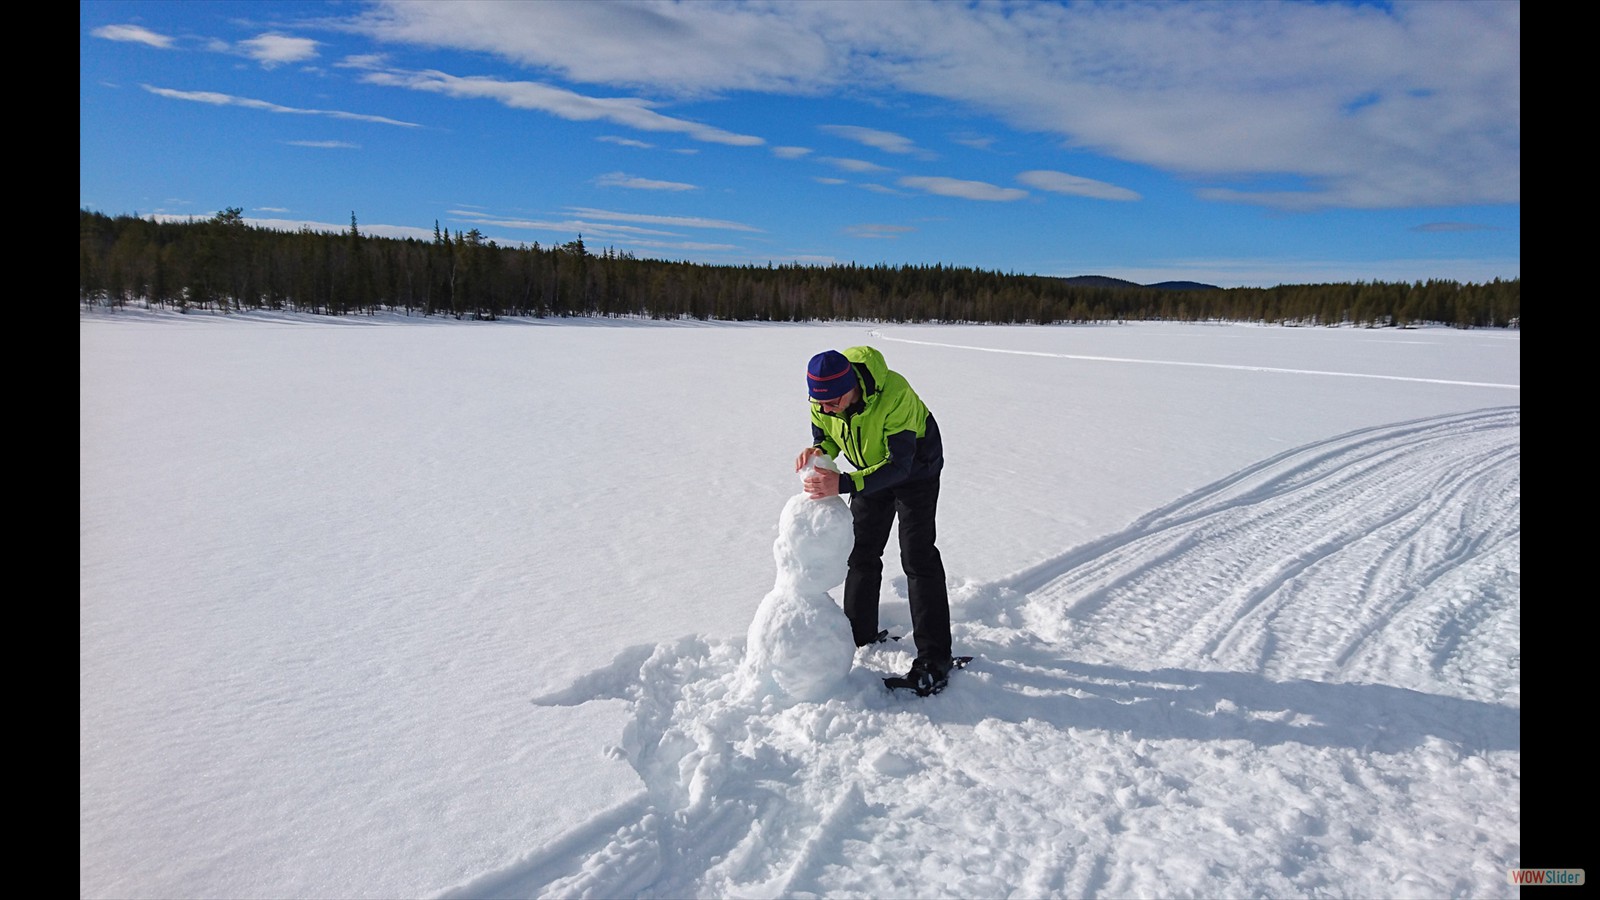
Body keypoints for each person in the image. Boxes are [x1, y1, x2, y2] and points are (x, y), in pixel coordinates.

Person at [795, 347, 954, 695]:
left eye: (833, 402)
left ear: (851, 385)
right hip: (872, 469)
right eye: (819, 403)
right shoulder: (823, 399)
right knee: (861, 551)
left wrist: (846, 483)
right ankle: (859, 634)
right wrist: (819, 451)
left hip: (916, 471)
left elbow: (900, 466)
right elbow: (825, 434)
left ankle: (935, 658)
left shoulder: (894, 395)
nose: (826, 409)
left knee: (918, 557)